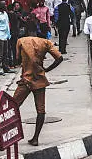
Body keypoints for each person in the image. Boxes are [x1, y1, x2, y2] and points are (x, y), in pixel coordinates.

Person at [14, 18, 63, 146]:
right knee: (41, 110)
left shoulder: (21, 41)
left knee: (13, 106)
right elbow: (59, 58)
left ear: (26, 30)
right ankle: (35, 138)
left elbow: (17, 59)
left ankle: (10, 135)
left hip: (25, 80)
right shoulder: (46, 42)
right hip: (40, 79)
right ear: (37, 30)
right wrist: (47, 69)